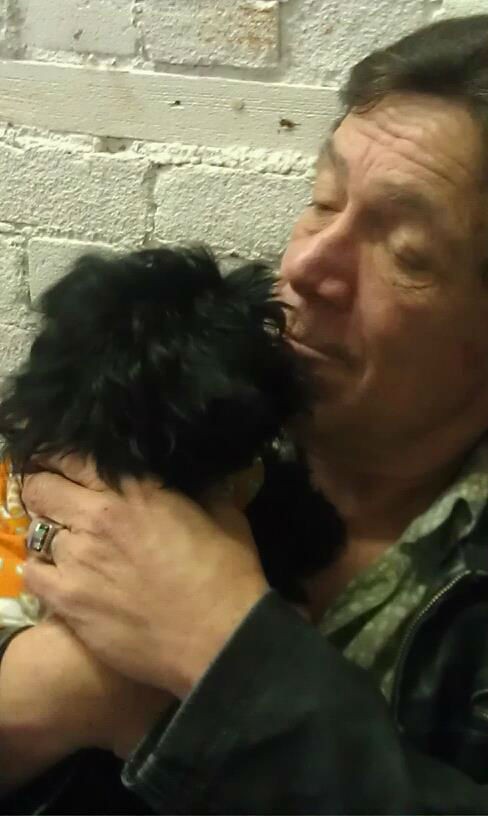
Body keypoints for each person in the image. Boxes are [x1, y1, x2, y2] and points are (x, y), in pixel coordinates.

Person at [3, 12, 488, 814]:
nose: (305, 265)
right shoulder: (178, 404)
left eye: (406, 252)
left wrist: (226, 656)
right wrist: (57, 688)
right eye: (323, 200)